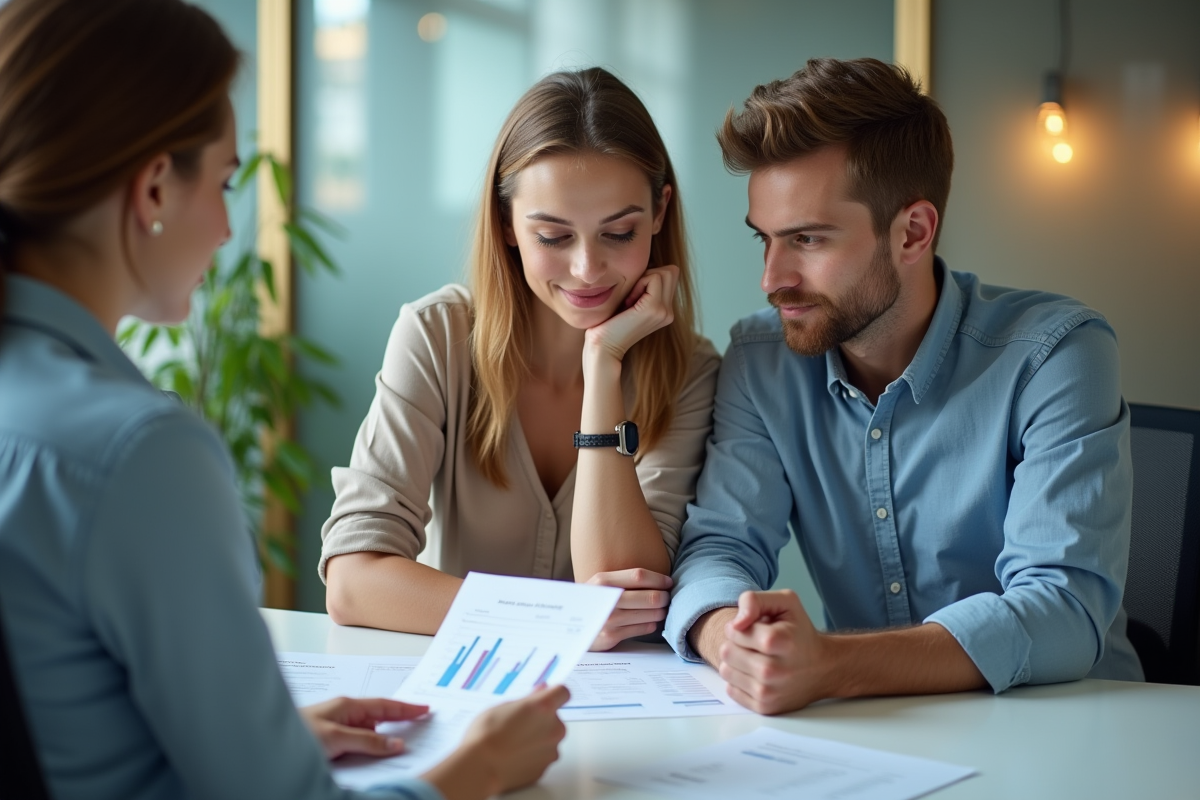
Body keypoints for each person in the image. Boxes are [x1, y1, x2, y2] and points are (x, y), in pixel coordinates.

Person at [0, 2, 567, 799]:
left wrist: (254, 740)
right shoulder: (139, 455)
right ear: (155, 186)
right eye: (227, 182)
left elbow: (64, 719)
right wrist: (469, 774)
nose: (231, 230)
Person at [664, 57, 1144, 715]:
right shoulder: (762, 359)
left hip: (1077, 726)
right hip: (880, 732)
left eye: (806, 238)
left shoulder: (1057, 353)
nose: (772, 278)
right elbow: (721, 545)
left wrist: (829, 665)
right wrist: (731, 639)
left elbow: (1061, 610)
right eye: (766, 241)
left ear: (912, 232)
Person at [321, 68, 720, 650]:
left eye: (619, 233)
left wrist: (604, 362)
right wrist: (555, 616)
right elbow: (353, 583)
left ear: (659, 213)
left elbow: (633, 593)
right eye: (554, 237)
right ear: (507, 223)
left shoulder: (691, 371)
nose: (587, 270)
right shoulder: (436, 336)